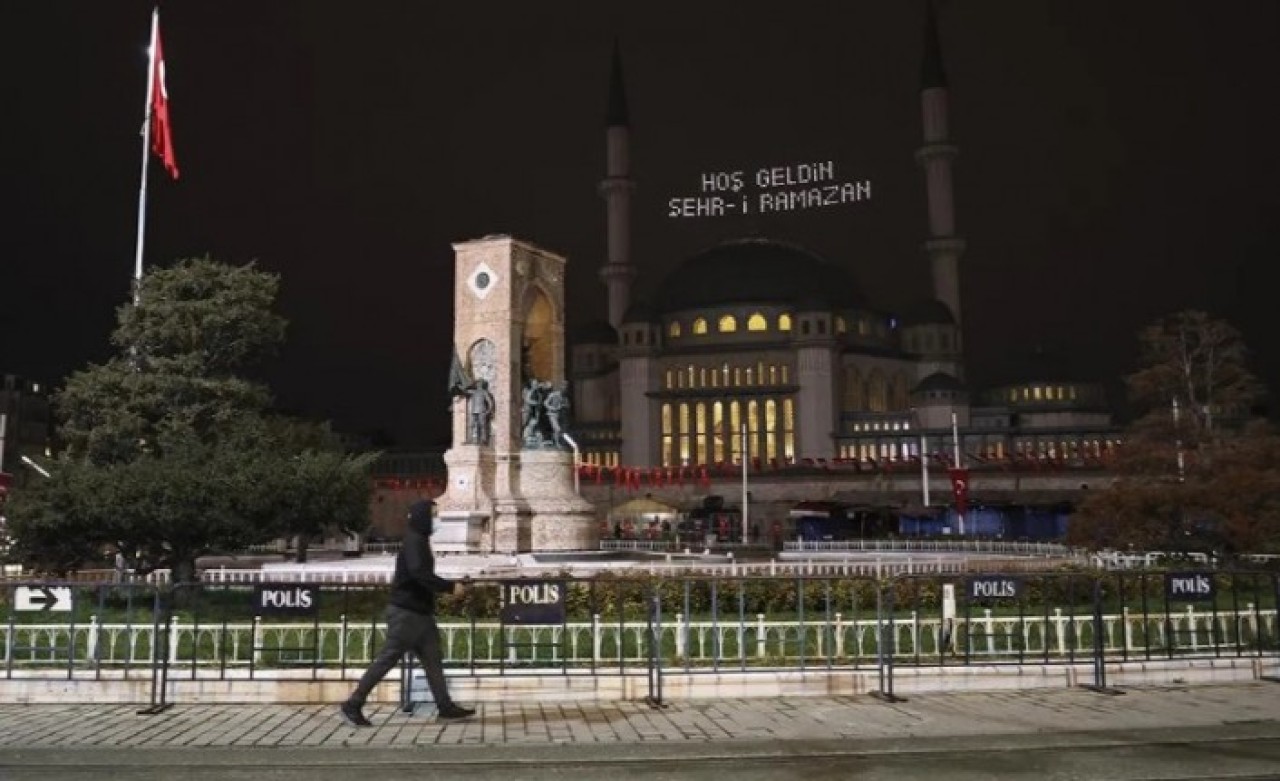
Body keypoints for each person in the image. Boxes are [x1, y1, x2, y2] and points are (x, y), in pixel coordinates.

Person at [340, 500, 475, 726]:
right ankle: (353, 704)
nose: (437, 519)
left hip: (420, 614)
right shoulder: (414, 542)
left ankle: (445, 706)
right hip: (406, 614)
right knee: (387, 659)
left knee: (433, 659)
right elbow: (419, 573)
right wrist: (450, 587)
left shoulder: (420, 540)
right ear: (423, 517)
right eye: (434, 515)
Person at [465, 379, 495, 445]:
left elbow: (490, 402)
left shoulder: (484, 392)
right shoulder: (473, 392)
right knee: (472, 425)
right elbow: (465, 390)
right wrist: (472, 383)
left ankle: (483, 440)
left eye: (480, 383)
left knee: (482, 425)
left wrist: (489, 410)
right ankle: (471, 439)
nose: (479, 384)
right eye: (478, 383)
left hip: (482, 410)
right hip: (474, 411)